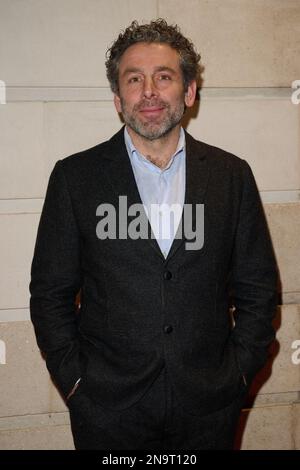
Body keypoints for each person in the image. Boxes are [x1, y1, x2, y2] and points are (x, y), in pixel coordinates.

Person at [30, 19, 278, 450]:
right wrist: (75, 382)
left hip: (208, 405)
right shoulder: (75, 178)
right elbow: (50, 293)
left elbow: (258, 290)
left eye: (163, 77)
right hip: (108, 410)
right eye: (134, 79)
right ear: (117, 98)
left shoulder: (231, 176)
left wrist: (239, 372)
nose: (149, 91)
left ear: (189, 91)